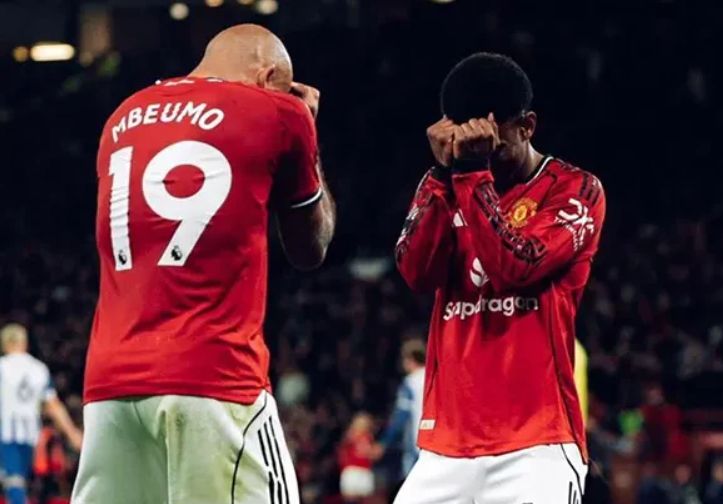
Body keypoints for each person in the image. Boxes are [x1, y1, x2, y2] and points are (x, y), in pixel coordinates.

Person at [71, 24, 336, 504]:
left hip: (109, 388)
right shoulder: (280, 111)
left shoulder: (122, 116)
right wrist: (307, 130)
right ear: (268, 75)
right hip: (214, 378)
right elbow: (310, 248)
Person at [394, 52, 606, 503]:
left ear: (527, 126)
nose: (484, 157)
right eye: (471, 145)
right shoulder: (449, 182)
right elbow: (415, 272)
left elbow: (517, 266)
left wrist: (471, 173)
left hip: (537, 445)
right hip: (445, 447)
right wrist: (442, 174)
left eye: (494, 146)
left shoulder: (576, 190)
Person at [0, 323, 82, 504]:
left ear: (5, 344)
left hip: (6, 433)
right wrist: (73, 434)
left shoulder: (2, 367)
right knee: (21, 481)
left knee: (14, 482)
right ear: (24, 343)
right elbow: (54, 406)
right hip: (31, 434)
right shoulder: (39, 369)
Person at [375, 339, 426, 487]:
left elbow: (401, 416)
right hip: (436, 445)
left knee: (412, 489)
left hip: (416, 444)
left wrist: (384, 442)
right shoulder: (436, 378)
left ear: (409, 359)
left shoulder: (410, 383)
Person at [338, 413, 377, 502]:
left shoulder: (369, 438)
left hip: (364, 471)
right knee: (350, 499)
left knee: (364, 499)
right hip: (352, 471)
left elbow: (372, 455)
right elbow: (342, 453)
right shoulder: (350, 436)